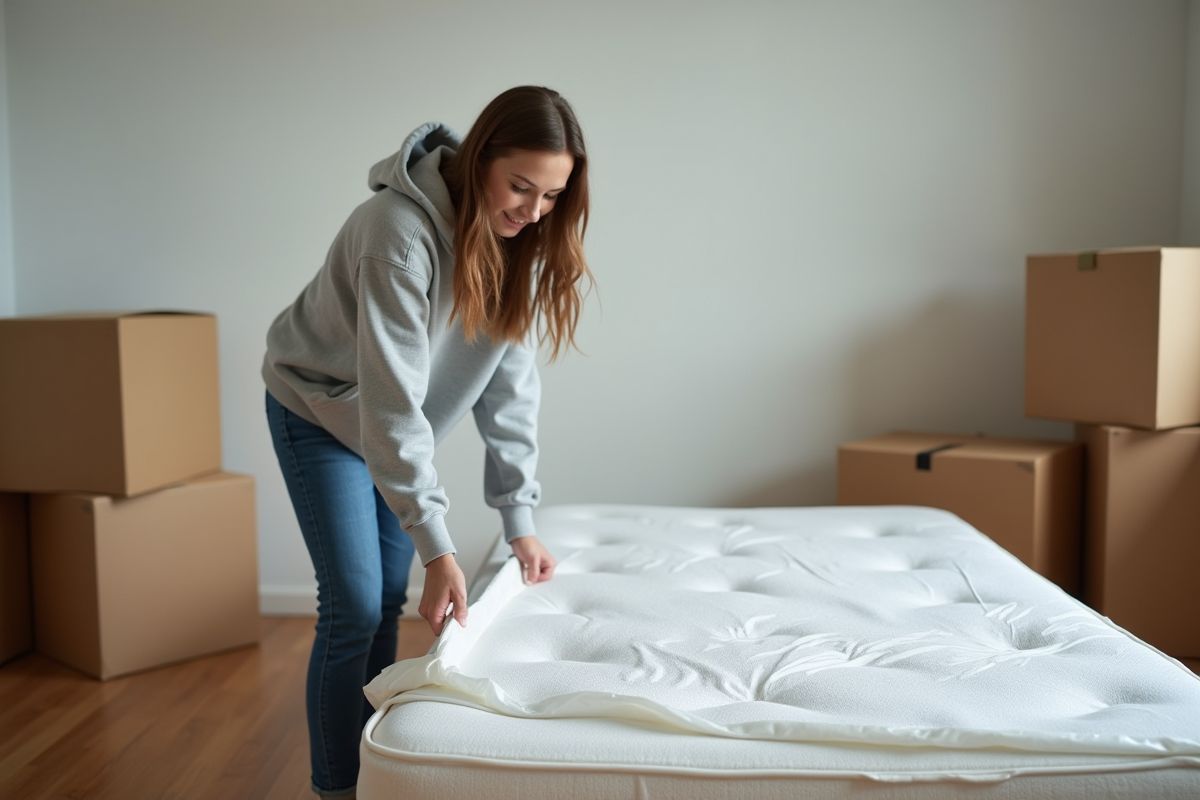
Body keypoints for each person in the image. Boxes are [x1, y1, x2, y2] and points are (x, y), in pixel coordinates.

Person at [261, 85, 591, 799]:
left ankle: (369, 772)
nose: (533, 211)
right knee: (353, 605)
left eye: (552, 196)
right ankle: (335, 789)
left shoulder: (514, 240)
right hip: (319, 409)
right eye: (520, 186)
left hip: (389, 429)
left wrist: (519, 518)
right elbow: (389, 403)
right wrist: (438, 549)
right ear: (478, 160)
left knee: (385, 600)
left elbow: (509, 386)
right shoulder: (397, 233)